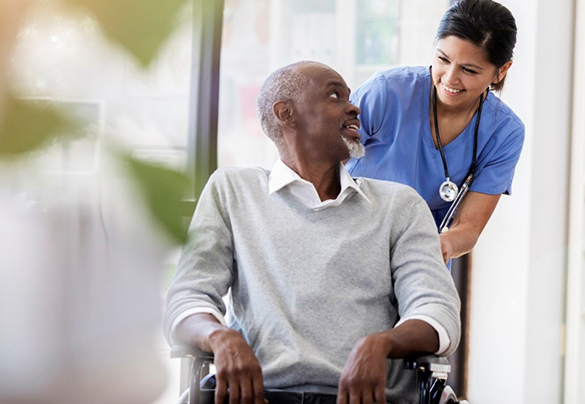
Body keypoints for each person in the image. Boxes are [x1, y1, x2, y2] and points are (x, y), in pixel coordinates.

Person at [164, 61, 461, 404]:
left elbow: (437, 310)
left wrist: (381, 343)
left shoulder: (399, 205)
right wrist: (220, 337)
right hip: (257, 396)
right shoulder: (233, 190)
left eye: (350, 97)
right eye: (335, 95)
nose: (354, 107)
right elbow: (187, 299)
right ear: (286, 113)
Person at [345, 0, 525, 265]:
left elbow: (469, 228)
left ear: (500, 71)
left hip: (417, 259)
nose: (450, 78)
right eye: (443, 59)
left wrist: (439, 246)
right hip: (346, 239)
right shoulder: (386, 93)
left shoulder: (504, 132)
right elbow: (317, 166)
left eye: (469, 70)